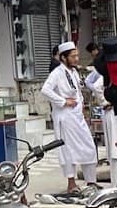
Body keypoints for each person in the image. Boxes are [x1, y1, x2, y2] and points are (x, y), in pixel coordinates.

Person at [40, 42, 99, 197]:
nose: (76, 59)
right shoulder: (57, 73)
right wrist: (63, 101)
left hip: (77, 117)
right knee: (68, 151)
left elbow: (77, 92)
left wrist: (82, 109)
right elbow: (45, 90)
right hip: (65, 118)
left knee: (89, 146)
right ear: (64, 57)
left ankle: (91, 181)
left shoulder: (73, 72)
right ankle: (71, 183)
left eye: (77, 55)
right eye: (73, 56)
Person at [84, 41, 117, 181]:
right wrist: (105, 102)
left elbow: (96, 87)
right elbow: (96, 86)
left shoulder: (111, 69)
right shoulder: (114, 70)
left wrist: (105, 102)